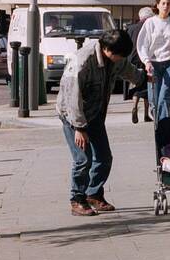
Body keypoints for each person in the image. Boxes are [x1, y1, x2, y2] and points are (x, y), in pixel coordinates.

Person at [56, 28, 138, 216]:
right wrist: (79, 127)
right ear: (107, 49)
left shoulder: (115, 58)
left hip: (95, 114)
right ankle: (77, 199)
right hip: (73, 116)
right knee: (83, 159)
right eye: (119, 55)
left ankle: (93, 194)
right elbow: (71, 97)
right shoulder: (82, 61)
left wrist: (144, 78)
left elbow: (128, 70)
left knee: (103, 157)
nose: (120, 59)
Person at [136, 0, 170, 121]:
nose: (166, 6)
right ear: (158, 5)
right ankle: (158, 121)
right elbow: (142, 44)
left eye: (168, 4)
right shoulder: (150, 23)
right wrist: (146, 61)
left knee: (165, 97)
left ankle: (163, 126)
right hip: (153, 64)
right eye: (163, 3)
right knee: (154, 99)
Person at [126, 5, 154, 124]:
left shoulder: (131, 28)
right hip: (145, 59)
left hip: (132, 59)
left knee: (135, 84)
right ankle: (146, 114)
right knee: (147, 87)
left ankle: (134, 106)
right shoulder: (150, 27)